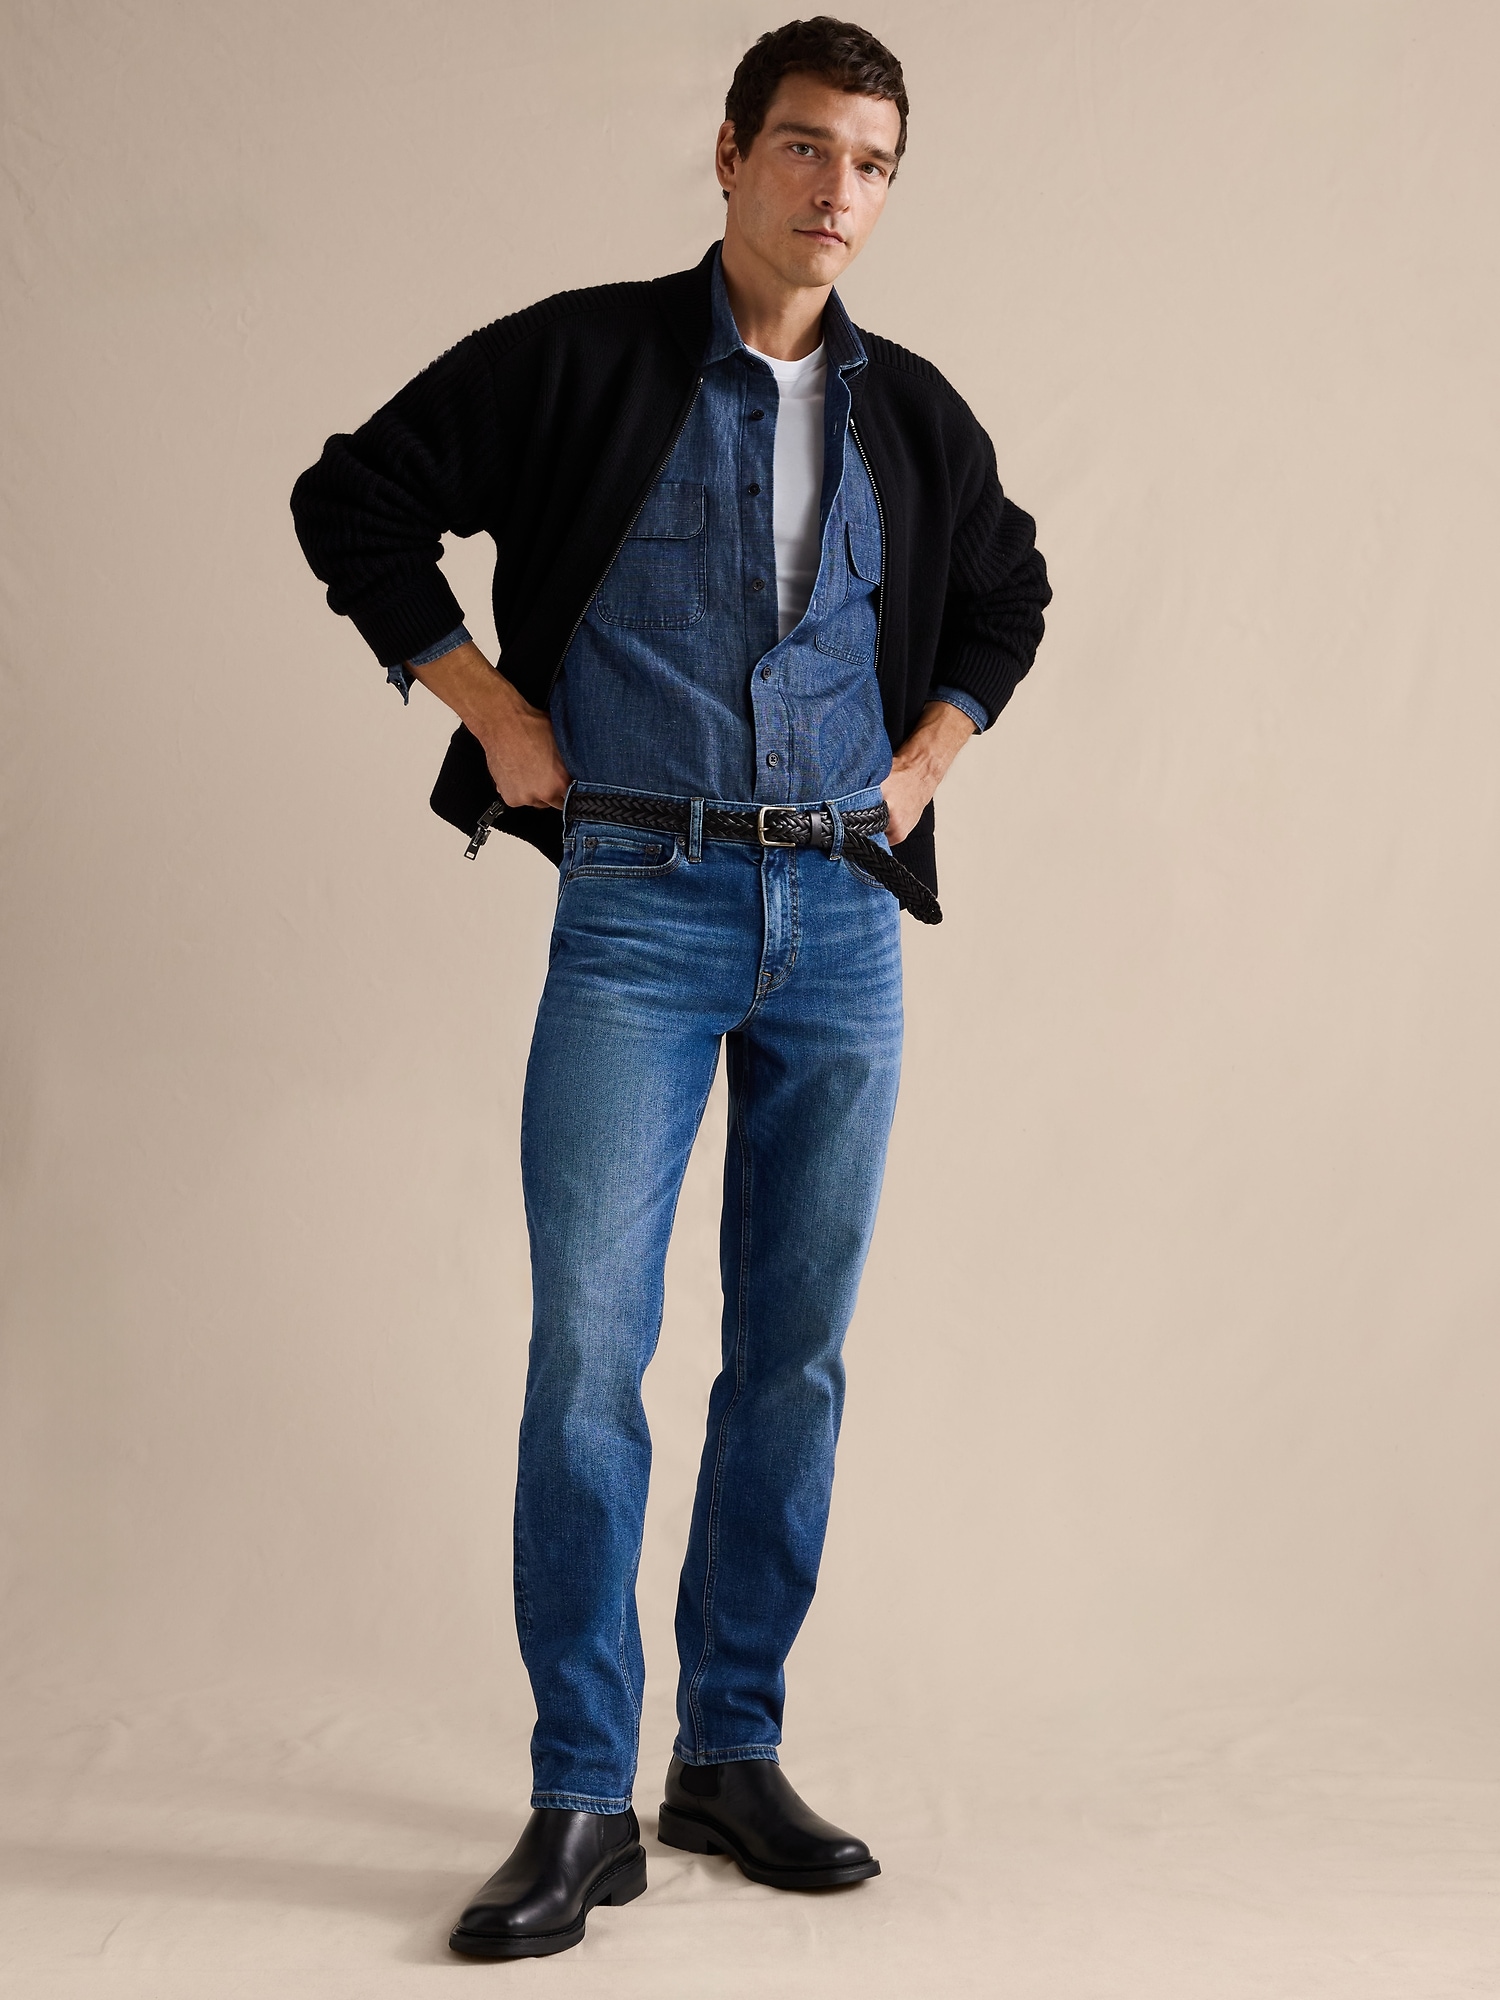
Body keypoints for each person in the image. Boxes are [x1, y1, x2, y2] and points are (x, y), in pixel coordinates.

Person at [292, 15, 1050, 1961]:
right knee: (588, 1354)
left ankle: (728, 1750)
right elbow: (353, 496)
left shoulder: (912, 412)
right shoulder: (581, 359)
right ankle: (580, 1793)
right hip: (638, 906)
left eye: (872, 164)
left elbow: (1008, 591)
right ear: (727, 154)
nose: (837, 192)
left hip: (842, 925)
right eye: (805, 148)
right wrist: (489, 711)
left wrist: (921, 766)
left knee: (792, 1355)